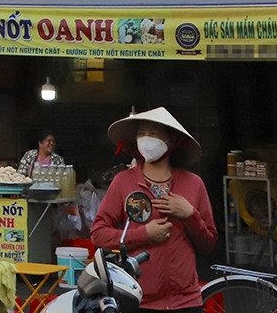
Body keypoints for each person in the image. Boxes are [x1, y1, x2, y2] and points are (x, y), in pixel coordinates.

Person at [92, 107, 217, 313]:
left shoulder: (194, 184)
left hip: (186, 302)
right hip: (137, 299)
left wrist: (190, 215)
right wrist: (143, 234)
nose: (146, 139)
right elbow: (98, 234)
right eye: (141, 133)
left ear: (172, 141)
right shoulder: (123, 182)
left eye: (154, 133)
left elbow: (208, 244)